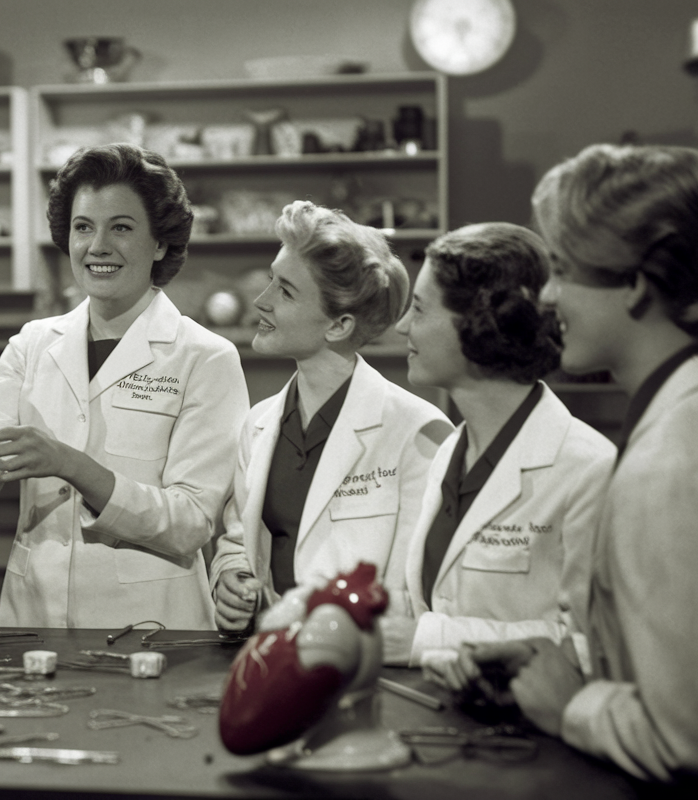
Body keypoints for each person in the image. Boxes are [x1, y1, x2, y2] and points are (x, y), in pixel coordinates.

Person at [0, 144, 248, 628]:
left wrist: (71, 465)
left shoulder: (205, 357)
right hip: (35, 615)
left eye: (121, 227)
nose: (97, 246)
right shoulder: (34, 343)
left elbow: (190, 522)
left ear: (159, 243)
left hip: (151, 625)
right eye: (83, 227)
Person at [468, 144, 698, 782]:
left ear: (636, 286)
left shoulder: (672, 460)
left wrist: (573, 703)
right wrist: (573, 660)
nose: (546, 296)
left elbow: (683, 735)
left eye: (564, 269)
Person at [379, 223, 615, 673]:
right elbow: (437, 600)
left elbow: (592, 644)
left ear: (480, 326)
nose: (403, 325)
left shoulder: (588, 468)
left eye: (421, 309)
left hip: (540, 735)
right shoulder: (449, 452)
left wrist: (427, 639)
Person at [210, 200, 452, 633]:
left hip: (364, 667)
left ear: (338, 325)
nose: (261, 302)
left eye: (284, 291)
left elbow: (418, 590)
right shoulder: (259, 424)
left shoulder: (418, 432)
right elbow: (239, 541)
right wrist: (232, 579)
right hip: (273, 659)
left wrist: (313, 620)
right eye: (270, 281)